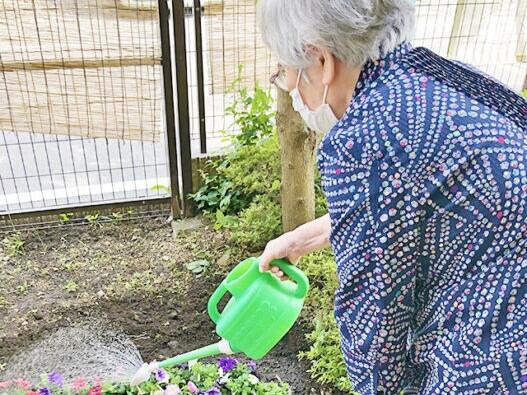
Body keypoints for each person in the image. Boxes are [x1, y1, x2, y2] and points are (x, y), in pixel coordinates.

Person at [256, 1, 527, 394]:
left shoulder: (364, 136)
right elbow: (433, 197)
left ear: (321, 60)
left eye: (283, 72)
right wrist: (306, 237)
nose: (289, 88)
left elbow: (376, 319)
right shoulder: (432, 77)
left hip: (500, 355)